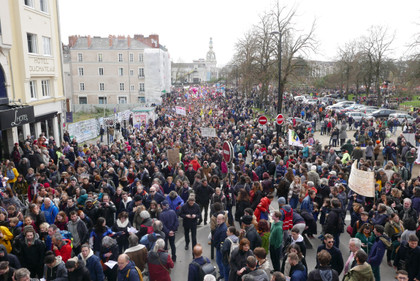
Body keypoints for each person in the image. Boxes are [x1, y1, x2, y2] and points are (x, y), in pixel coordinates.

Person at [213, 214, 227, 279]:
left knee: (219, 261)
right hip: (218, 247)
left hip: (219, 248)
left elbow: (222, 241)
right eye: (217, 219)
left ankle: (222, 274)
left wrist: (217, 246)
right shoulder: (221, 226)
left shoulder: (223, 229)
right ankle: (222, 272)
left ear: (223, 219)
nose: (218, 220)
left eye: (219, 219)